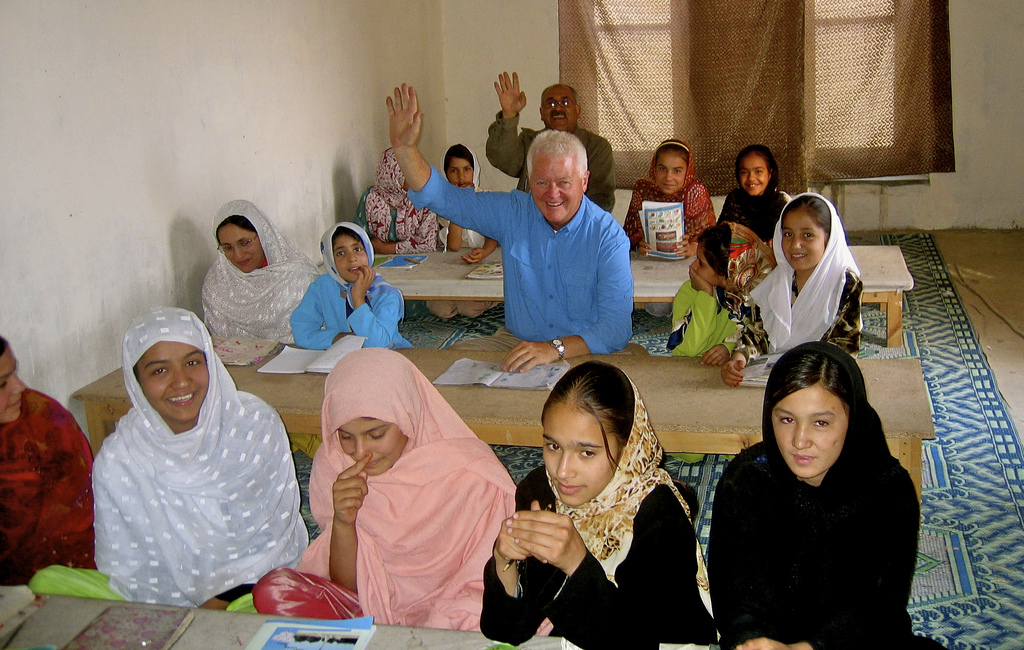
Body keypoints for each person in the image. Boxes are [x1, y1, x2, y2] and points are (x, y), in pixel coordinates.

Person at [36, 308, 307, 608]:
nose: (181, 382)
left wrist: (216, 603)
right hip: (160, 593)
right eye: (160, 370)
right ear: (136, 380)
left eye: (192, 362)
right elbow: (125, 562)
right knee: (47, 584)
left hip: (248, 589)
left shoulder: (255, 427)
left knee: (270, 603)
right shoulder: (120, 457)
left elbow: (272, 545)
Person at [252, 348, 516, 631]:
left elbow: (488, 579)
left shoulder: (469, 473)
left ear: (408, 417)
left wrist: (437, 618)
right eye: (346, 436)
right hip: (367, 605)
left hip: (455, 605)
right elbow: (347, 587)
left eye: (376, 435)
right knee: (273, 590)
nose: (361, 453)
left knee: (489, 616)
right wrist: (344, 521)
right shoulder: (335, 463)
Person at [709, 341, 945, 650]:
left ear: (853, 419)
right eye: (786, 419)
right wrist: (752, 640)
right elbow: (735, 590)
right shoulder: (746, 479)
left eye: (821, 422)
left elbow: (878, 607)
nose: (800, 440)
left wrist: (809, 648)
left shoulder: (888, 490)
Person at [387, 83, 634, 373]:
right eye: (541, 182)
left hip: (583, 346)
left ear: (585, 181)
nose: (553, 194)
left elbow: (615, 327)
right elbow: (445, 198)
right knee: (448, 365)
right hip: (518, 342)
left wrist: (554, 349)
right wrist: (404, 149)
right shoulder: (513, 213)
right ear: (530, 179)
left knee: (635, 373)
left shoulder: (607, 235)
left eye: (564, 182)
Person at [480, 361, 717, 648]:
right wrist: (505, 560)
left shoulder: (658, 515)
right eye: (553, 446)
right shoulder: (541, 492)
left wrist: (576, 564)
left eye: (587, 452)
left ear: (628, 447)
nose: (563, 471)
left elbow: (641, 640)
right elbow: (505, 630)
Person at [721, 193, 862, 387]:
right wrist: (739, 358)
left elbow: (844, 347)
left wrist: (801, 373)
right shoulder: (776, 282)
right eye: (788, 234)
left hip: (821, 381)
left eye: (808, 235)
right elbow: (757, 335)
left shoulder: (844, 284)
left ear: (828, 239)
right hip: (775, 378)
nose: (795, 245)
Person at [0, 335, 95, 585]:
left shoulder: (45, 424)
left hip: (55, 578)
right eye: (1, 384)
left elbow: (74, 527)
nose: (19, 387)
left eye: (15, 373)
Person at [486, 71, 615, 211]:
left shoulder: (597, 147)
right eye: (551, 104)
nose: (558, 108)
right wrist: (509, 115)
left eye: (565, 102)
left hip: (575, 227)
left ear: (578, 111)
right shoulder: (531, 142)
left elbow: (601, 198)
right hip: (530, 222)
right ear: (541, 113)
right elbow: (503, 161)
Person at [201, 200, 319, 343]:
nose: (238, 255)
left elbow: (317, 331)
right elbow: (222, 343)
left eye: (244, 243)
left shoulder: (299, 276)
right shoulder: (217, 283)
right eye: (227, 247)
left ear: (264, 236)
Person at [290, 222, 411, 350]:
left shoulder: (386, 294)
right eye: (341, 253)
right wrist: (340, 338)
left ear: (368, 252)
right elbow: (302, 332)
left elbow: (377, 344)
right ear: (330, 259)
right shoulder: (323, 286)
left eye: (357, 250)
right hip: (342, 355)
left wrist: (358, 298)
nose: (352, 258)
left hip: (389, 355)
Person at [667, 222, 776, 364]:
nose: (692, 267)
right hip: (686, 368)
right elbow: (689, 350)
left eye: (701, 263)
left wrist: (729, 348)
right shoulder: (689, 291)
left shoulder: (751, 299)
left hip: (727, 370)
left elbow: (759, 338)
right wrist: (706, 295)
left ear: (727, 275)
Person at [427, 144, 500, 319]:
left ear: (474, 170)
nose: (461, 176)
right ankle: (463, 302)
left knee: (470, 308)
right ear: (445, 174)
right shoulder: (443, 204)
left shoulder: (486, 197)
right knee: (439, 308)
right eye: (454, 171)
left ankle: (484, 301)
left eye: (467, 169)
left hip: (487, 257)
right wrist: (458, 203)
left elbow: (493, 235)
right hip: (457, 261)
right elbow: (454, 245)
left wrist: (484, 252)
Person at [623, 139, 717, 258]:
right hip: (648, 262)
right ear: (654, 168)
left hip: (689, 262)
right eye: (662, 169)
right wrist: (638, 245)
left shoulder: (695, 192)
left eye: (677, 171)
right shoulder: (643, 190)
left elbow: (710, 238)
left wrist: (694, 247)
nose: (668, 177)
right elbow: (629, 234)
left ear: (688, 171)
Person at [364, 147, 440, 255]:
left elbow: (428, 243)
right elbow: (356, 237)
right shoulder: (370, 199)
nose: (416, 177)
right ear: (393, 173)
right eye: (409, 172)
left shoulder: (425, 199)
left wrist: (385, 248)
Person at [717, 145, 791, 243]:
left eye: (758, 171)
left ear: (770, 173)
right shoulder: (735, 198)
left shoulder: (782, 203)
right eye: (744, 172)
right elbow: (720, 238)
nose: (751, 178)